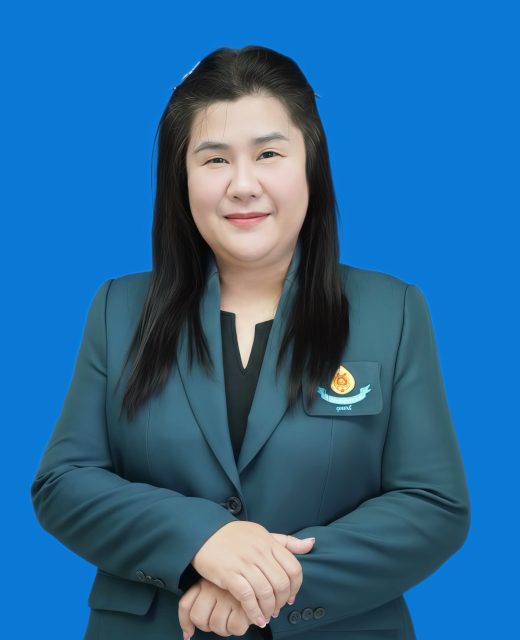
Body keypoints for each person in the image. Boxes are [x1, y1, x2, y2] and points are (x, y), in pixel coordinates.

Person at [30, 45, 471, 640]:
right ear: (181, 177)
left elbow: (433, 504)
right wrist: (204, 540)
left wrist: (265, 582)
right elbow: (64, 482)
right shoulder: (118, 308)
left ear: (310, 162)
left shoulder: (392, 310)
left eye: (268, 154)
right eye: (214, 159)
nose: (243, 185)